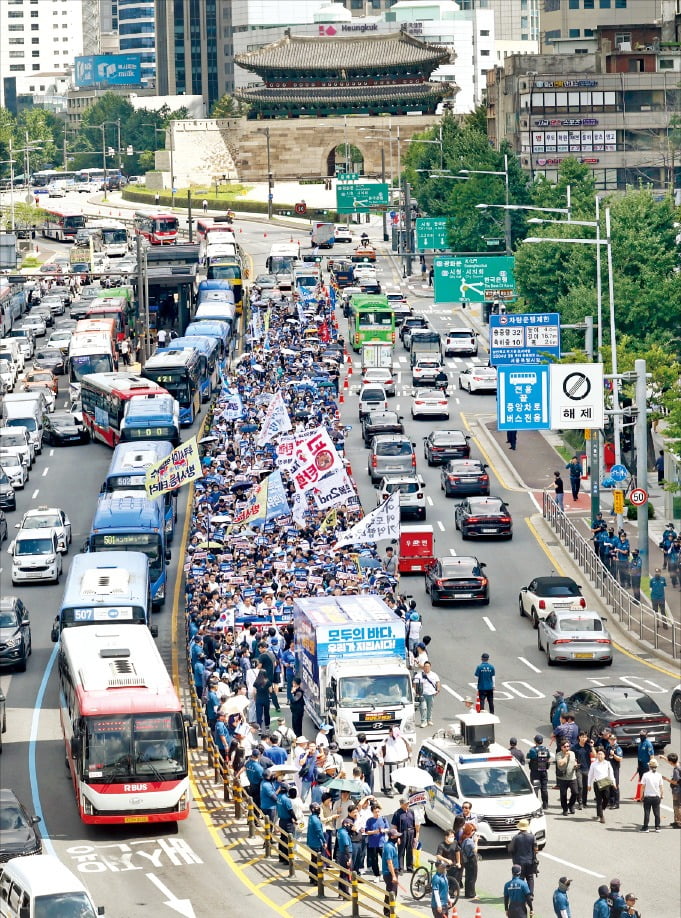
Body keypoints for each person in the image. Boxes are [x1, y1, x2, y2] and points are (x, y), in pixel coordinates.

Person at [508, 819, 538, 894]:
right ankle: (530, 894)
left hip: (519, 862)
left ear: (519, 828)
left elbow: (510, 849)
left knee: (520, 878)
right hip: (530, 861)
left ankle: (520, 893)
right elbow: (536, 849)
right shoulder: (532, 837)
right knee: (530, 877)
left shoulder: (516, 838)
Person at [587, 747, 615, 824]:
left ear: (604, 755)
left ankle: (601, 809)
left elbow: (611, 774)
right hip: (597, 783)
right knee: (599, 800)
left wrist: (614, 783)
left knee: (606, 798)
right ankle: (601, 816)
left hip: (606, 783)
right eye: (598, 754)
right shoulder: (593, 764)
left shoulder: (607, 763)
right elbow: (590, 775)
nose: (599, 755)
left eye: (601, 754)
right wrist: (589, 785)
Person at [381, 726, 411, 795]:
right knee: (388, 776)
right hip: (389, 761)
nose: (391, 733)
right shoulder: (386, 740)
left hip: (402, 760)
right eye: (390, 732)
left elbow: (408, 745)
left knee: (402, 775)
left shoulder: (402, 738)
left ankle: (400, 786)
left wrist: (410, 755)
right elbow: (380, 749)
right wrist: (381, 759)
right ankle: (387, 789)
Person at [391, 798, 415, 873]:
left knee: (410, 850)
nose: (407, 805)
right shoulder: (397, 813)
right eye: (405, 803)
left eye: (408, 803)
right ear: (401, 804)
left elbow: (414, 823)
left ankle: (409, 867)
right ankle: (400, 868)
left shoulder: (411, 811)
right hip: (402, 833)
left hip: (410, 832)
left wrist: (415, 837)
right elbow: (394, 827)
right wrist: (397, 837)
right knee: (401, 851)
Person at [365, 802, 389, 878]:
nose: (377, 813)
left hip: (382, 843)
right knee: (374, 861)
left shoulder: (383, 819)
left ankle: (387, 873)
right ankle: (377, 875)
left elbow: (388, 829)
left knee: (385, 859)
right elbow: (366, 831)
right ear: (372, 812)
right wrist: (374, 832)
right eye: (375, 812)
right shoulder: (369, 821)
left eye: (378, 811)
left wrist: (383, 830)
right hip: (372, 844)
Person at [640, 756, 663, 832]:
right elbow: (661, 787)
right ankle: (657, 827)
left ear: (649, 766)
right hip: (656, 797)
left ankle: (646, 827)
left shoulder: (645, 775)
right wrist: (662, 795)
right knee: (657, 813)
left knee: (647, 812)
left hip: (648, 797)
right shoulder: (659, 775)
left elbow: (642, 787)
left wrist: (641, 796)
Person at [527, 734, 551, 809]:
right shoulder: (546, 749)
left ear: (535, 741)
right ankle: (545, 804)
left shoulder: (533, 750)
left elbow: (528, 756)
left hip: (535, 772)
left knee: (536, 788)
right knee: (544, 788)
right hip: (543, 771)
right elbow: (548, 757)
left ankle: (536, 804)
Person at [414, 661, 440, 727]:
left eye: (428, 667)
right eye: (425, 667)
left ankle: (429, 720)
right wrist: (416, 692)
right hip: (422, 694)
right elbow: (414, 684)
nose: (426, 668)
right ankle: (423, 721)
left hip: (431, 694)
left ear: (430, 667)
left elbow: (438, 682)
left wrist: (438, 689)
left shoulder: (434, 675)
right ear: (423, 667)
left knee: (429, 708)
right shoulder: (419, 675)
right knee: (423, 708)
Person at [556, 741, 578, 816]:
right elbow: (561, 763)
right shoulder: (559, 754)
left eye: (568, 746)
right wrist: (566, 756)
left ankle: (571, 805)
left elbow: (574, 760)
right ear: (561, 747)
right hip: (563, 778)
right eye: (565, 747)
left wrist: (575, 765)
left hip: (572, 777)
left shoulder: (572, 753)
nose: (567, 748)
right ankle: (565, 809)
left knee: (575, 792)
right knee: (563, 795)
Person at [435, 828, 461, 894]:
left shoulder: (455, 842)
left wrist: (458, 862)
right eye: (451, 836)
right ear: (446, 837)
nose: (453, 838)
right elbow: (438, 856)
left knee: (455, 875)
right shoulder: (441, 845)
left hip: (452, 863)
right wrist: (446, 860)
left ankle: (451, 892)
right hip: (442, 864)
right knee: (443, 878)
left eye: (453, 836)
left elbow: (457, 852)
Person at [572, 731, 593, 810]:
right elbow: (572, 756)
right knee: (580, 786)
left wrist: (592, 746)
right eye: (583, 737)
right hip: (579, 769)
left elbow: (594, 754)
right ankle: (580, 802)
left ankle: (584, 802)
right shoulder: (575, 747)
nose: (584, 738)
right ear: (579, 737)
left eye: (585, 737)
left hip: (587, 768)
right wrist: (574, 762)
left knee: (585, 787)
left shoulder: (588, 746)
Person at [307, 802, 326, 885]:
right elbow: (319, 832)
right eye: (317, 808)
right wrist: (324, 841)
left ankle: (312, 878)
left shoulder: (311, 817)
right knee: (317, 862)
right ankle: (315, 879)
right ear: (312, 809)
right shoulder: (316, 820)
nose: (319, 809)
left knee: (313, 860)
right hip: (316, 843)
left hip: (311, 842)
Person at [335, 817, 353, 898]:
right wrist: (349, 858)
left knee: (342, 874)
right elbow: (346, 846)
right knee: (345, 874)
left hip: (341, 853)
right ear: (346, 824)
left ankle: (340, 891)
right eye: (350, 825)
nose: (351, 827)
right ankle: (346, 893)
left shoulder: (340, 831)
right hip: (345, 854)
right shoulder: (344, 834)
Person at [460, 822, 478, 901]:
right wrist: (476, 842)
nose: (474, 832)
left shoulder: (464, 839)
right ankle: (471, 894)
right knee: (472, 876)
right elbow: (475, 850)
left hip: (466, 859)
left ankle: (468, 892)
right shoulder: (469, 841)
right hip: (471, 859)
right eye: (472, 830)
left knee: (468, 876)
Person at [664, 751, 681, 828]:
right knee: (676, 806)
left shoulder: (676, 770)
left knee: (677, 806)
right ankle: (676, 821)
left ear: (671, 762)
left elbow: (676, 782)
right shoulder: (679, 764)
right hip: (678, 790)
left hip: (677, 790)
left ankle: (679, 822)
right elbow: (671, 762)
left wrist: (666, 779)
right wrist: (664, 758)